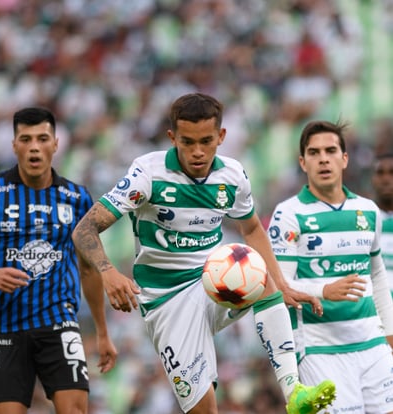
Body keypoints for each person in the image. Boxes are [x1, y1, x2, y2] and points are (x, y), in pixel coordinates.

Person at [72, 92, 336, 414]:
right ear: (172, 138)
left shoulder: (232, 175)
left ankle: (294, 392)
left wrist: (282, 285)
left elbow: (251, 229)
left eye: (206, 141)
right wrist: (109, 271)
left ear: (221, 136)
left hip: (210, 281)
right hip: (165, 300)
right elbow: (84, 229)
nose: (198, 152)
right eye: (188, 142)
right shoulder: (148, 173)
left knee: (258, 273)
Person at [0, 107, 117, 414]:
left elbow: (88, 268)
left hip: (59, 325)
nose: (34, 147)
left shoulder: (77, 198)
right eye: (25, 139)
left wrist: (103, 333)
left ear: (56, 144)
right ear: (14, 145)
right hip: (4, 328)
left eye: (42, 138)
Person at [267, 120, 393, 413]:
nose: (323, 158)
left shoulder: (368, 210)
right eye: (314, 152)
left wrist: (389, 333)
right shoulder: (288, 214)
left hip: (373, 345)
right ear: (302, 162)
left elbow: (377, 275)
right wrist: (324, 289)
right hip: (320, 349)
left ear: (344, 158)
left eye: (331, 150)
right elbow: (279, 285)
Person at [372, 153, 393, 296]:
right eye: (380, 173)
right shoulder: (362, 220)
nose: (386, 179)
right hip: (375, 313)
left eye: (392, 173)